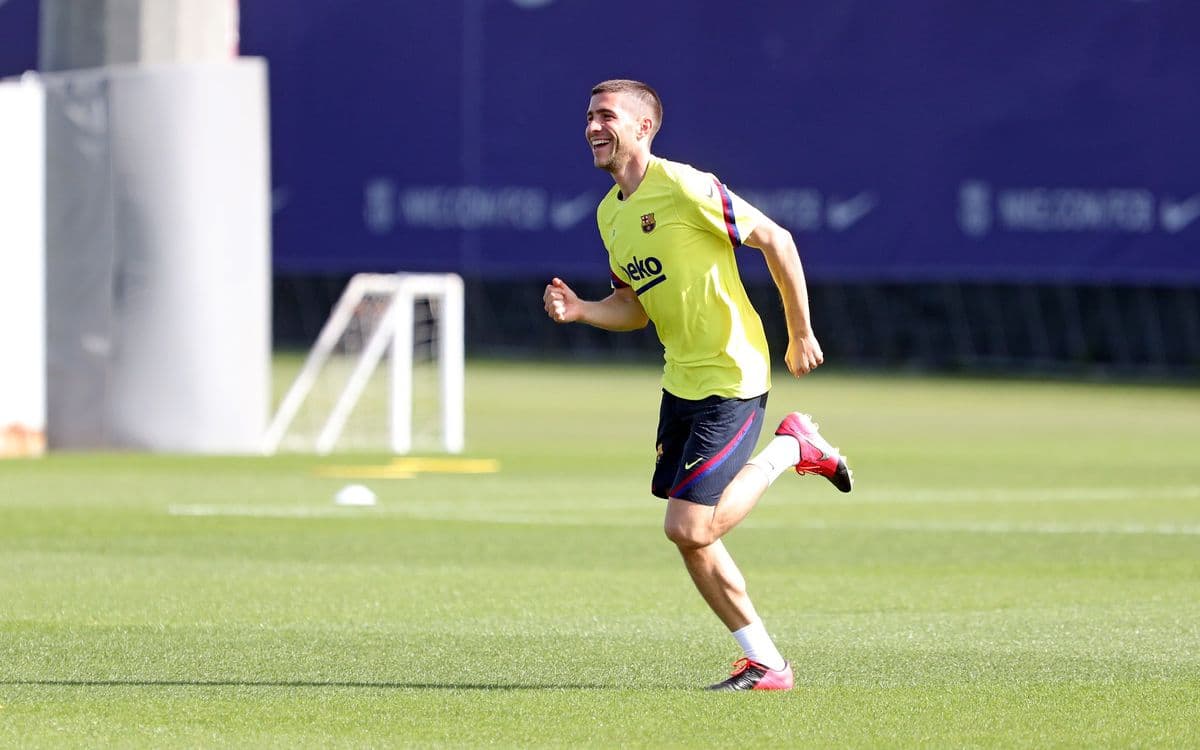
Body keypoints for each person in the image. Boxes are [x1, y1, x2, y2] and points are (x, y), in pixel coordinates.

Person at [543, 79, 853, 692]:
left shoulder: (686, 186)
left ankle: (792, 448)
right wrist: (582, 310)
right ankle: (765, 663)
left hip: (733, 374)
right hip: (680, 380)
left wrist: (799, 331)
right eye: (587, 117)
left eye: (606, 116)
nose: (592, 128)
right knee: (691, 536)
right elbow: (634, 306)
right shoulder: (611, 214)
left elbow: (778, 241)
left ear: (642, 128)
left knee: (688, 527)